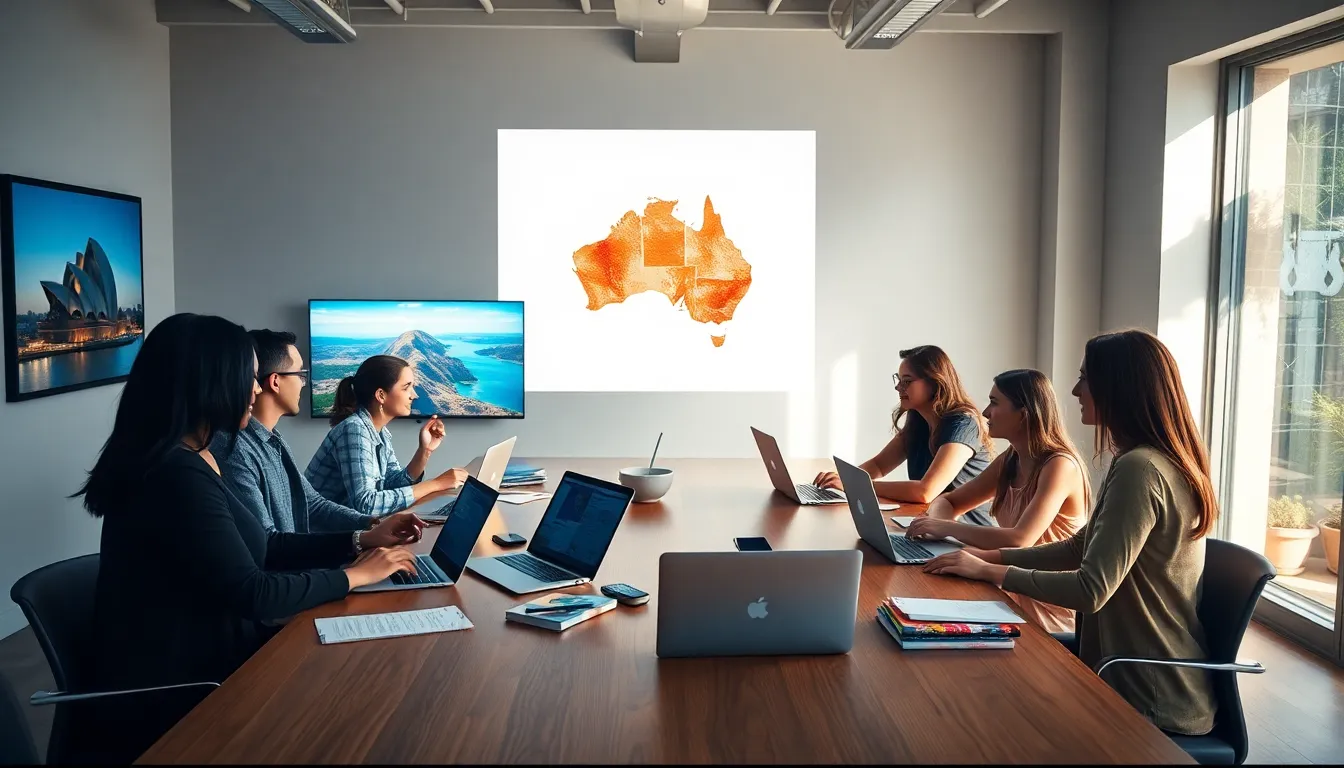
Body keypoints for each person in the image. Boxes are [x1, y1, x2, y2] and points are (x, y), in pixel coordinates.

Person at [74, 313, 427, 764]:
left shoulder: (192, 457)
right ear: (211, 383)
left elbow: (264, 544)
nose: (258, 388)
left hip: (223, 653)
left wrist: (359, 539)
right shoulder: (175, 475)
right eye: (249, 378)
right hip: (193, 694)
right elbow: (253, 591)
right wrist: (355, 577)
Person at [923, 329, 1218, 737]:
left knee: (968, 713)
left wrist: (990, 571)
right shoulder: (1139, 460)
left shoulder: (1141, 469)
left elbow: (1089, 590)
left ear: (1117, 387)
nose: (1076, 390)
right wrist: (986, 561)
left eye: (1085, 378)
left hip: (1145, 696)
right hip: (1119, 673)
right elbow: (1078, 548)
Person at [904, 369, 1091, 633]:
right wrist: (937, 523)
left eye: (994, 402)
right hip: (1005, 591)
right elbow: (949, 500)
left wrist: (946, 528)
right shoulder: (1012, 458)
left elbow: (1020, 540)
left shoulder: (1060, 465)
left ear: (1024, 414)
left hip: (1047, 612)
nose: (985, 412)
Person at [213, 329, 376, 533]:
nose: (302, 383)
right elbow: (268, 542)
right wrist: (359, 541)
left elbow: (313, 504)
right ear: (275, 382)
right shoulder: (234, 451)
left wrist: (372, 524)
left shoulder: (274, 440)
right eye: (300, 374)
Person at [814, 345, 994, 513]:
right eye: (899, 380)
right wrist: (839, 478)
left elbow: (926, 491)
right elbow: (879, 465)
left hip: (965, 537)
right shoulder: (918, 419)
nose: (898, 387)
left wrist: (854, 485)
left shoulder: (963, 424)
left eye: (907, 381)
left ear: (935, 383)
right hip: (930, 525)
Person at [305, 354, 465, 516]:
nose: (414, 395)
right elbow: (366, 504)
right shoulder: (354, 430)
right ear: (381, 395)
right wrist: (437, 484)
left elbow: (393, 483)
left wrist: (424, 451)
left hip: (351, 529)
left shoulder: (380, 432)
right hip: (323, 535)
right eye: (406, 387)